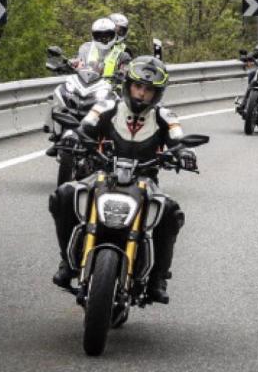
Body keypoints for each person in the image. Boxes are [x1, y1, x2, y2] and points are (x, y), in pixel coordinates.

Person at [50, 56, 197, 304]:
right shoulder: (107, 106)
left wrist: (184, 152)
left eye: (148, 90)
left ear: (157, 93)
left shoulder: (165, 115)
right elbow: (87, 125)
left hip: (145, 180)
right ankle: (67, 261)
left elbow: (178, 137)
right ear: (128, 85)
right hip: (103, 174)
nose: (141, 94)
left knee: (171, 212)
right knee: (64, 195)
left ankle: (157, 279)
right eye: (138, 86)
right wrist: (74, 136)